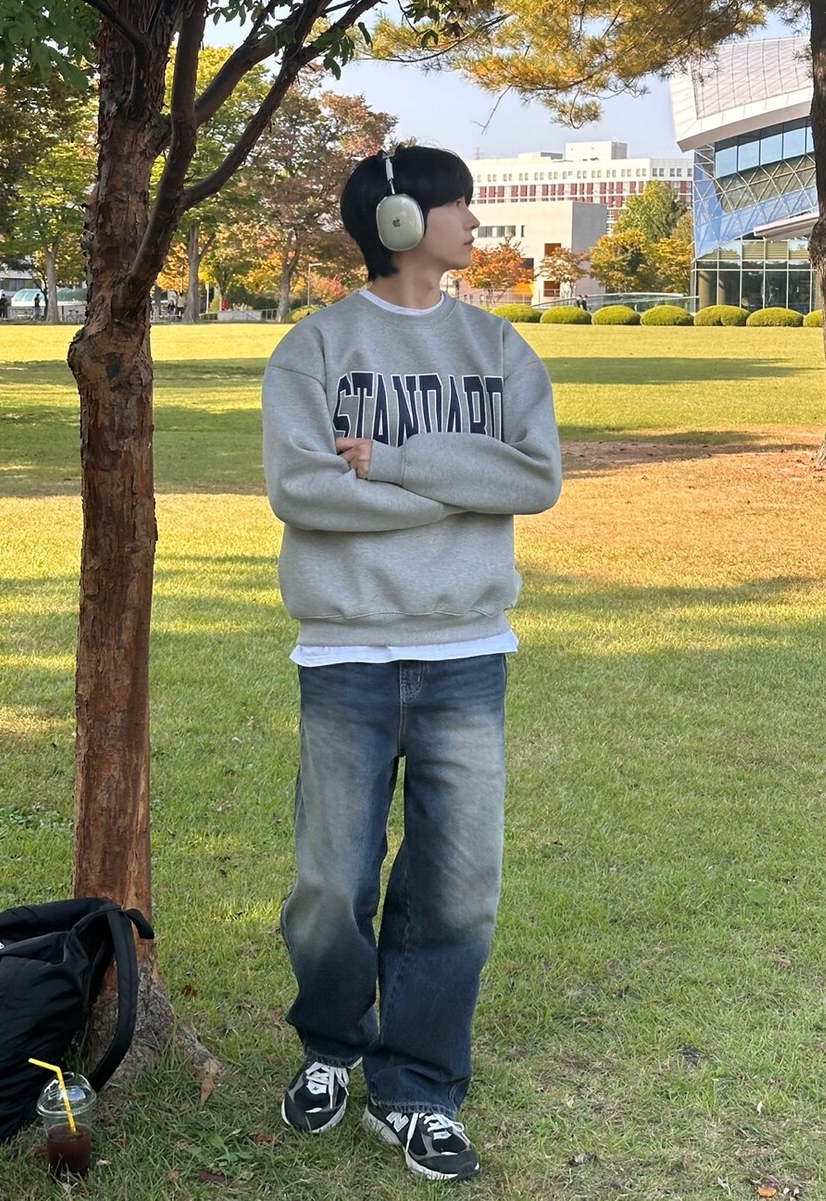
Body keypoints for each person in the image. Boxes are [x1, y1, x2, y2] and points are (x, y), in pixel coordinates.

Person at [261, 144, 562, 1183]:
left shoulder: (499, 347)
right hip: (345, 650)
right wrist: (462, 487)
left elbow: (536, 479)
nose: (474, 221)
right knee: (328, 883)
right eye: (458, 204)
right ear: (397, 220)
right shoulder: (315, 348)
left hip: (467, 653)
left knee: (455, 888)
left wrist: (389, 463)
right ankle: (332, 1045)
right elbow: (303, 491)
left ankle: (417, 1087)